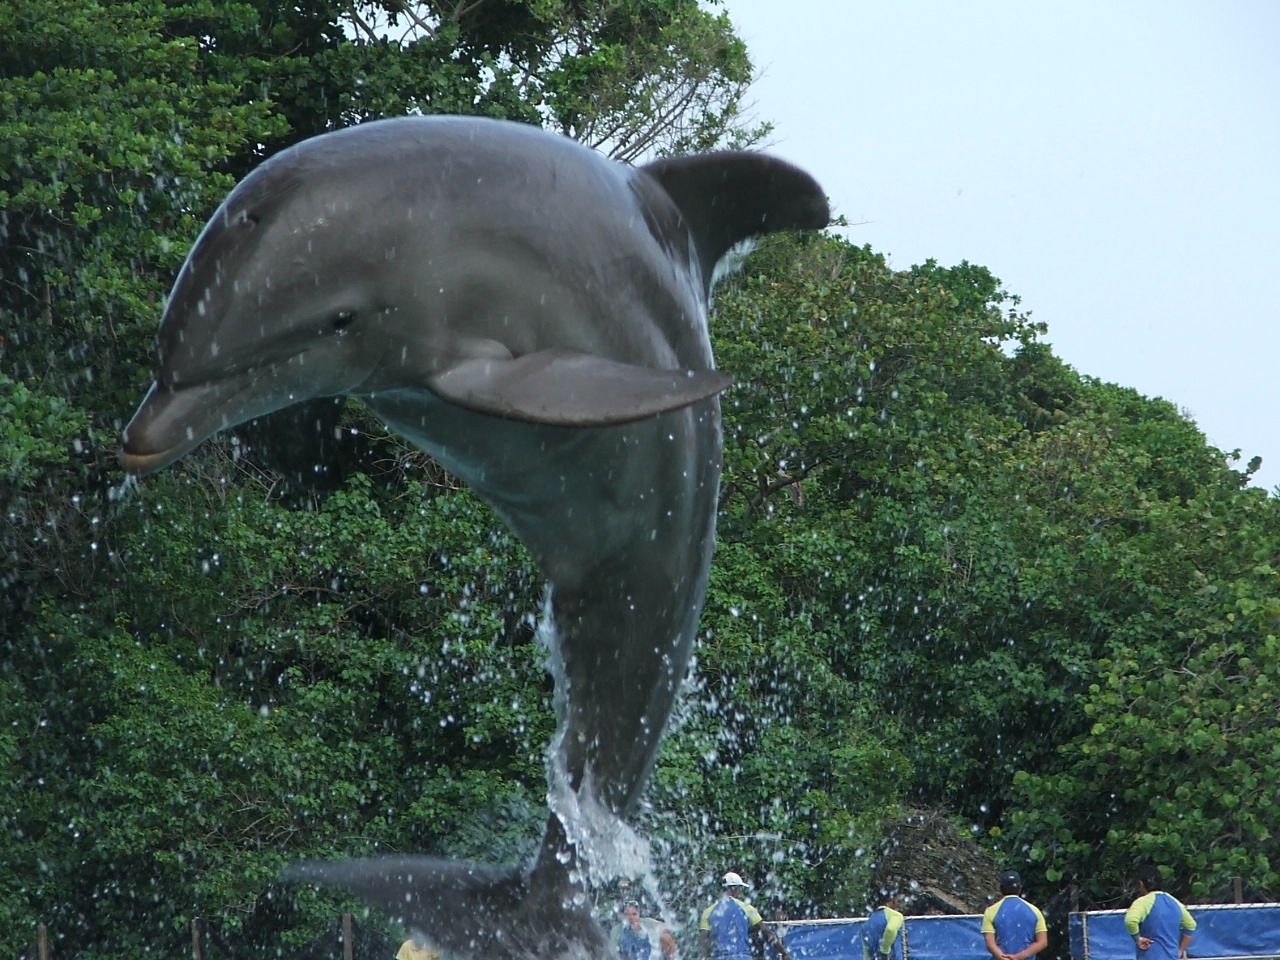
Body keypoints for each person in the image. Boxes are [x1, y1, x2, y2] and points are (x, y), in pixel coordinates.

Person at [701, 872, 792, 960]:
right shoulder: (746, 908)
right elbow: (767, 933)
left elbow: (703, 943)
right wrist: (784, 954)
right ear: (736, 888)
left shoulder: (708, 912)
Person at [1124, 864, 1196, 960]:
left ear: (1141, 884)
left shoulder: (1143, 902)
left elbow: (1131, 920)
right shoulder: (1174, 901)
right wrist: (1180, 950)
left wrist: (1137, 938)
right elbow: (1191, 926)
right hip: (1172, 956)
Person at [982, 870, 1048, 960]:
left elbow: (990, 944)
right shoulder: (1035, 911)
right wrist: (1018, 957)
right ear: (1020, 888)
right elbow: (1042, 942)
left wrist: (1003, 958)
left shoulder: (990, 911)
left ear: (1000, 888)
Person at [612, 900, 679, 960]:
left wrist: (643, 927)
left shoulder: (645, 922)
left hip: (650, 954)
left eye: (634, 914)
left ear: (639, 914)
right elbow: (612, 951)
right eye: (627, 915)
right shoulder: (617, 930)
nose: (631, 917)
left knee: (665, 936)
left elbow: (666, 927)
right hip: (629, 955)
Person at [861, 888, 905, 960]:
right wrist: (884, 952)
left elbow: (867, 954)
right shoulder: (895, 915)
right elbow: (891, 929)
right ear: (892, 900)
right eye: (897, 901)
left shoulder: (868, 923)